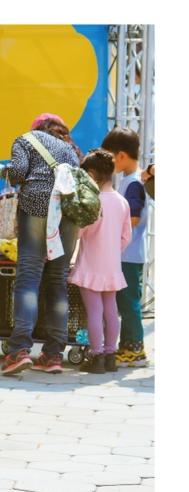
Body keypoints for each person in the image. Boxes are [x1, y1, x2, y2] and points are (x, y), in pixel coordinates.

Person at [0, 115, 81, 375]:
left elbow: (17, 173)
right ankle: (52, 356)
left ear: (35, 129)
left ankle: (18, 351)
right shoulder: (71, 149)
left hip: (38, 207)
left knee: (29, 277)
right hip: (69, 213)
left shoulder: (25, 140)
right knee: (57, 280)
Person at [69, 149, 131, 374]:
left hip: (90, 264)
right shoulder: (122, 202)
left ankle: (96, 358)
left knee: (93, 312)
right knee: (111, 311)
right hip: (112, 265)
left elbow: (79, 232)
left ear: (92, 174)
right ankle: (110, 356)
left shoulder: (93, 202)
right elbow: (126, 236)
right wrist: (113, 249)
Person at [101, 126, 150, 367]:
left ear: (121, 156)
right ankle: (128, 347)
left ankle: (135, 349)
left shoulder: (133, 183)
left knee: (129, 302)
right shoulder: (130, 181)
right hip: (126, 255)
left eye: (110, 157)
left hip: (129, 256)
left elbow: (134, 217)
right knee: (125, 301)